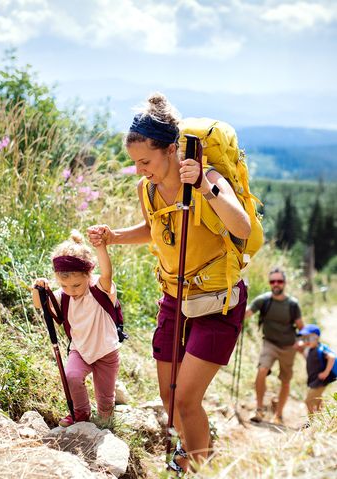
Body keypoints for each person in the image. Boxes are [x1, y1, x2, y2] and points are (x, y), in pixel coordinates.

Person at [88, 92, 251, 473]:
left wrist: (208, 190)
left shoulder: (207, 179)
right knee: (168, 396)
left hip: (217, 301)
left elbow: (241, 226)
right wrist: (114, 236)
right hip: (174, 298)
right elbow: (154, 228)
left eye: (146, 160)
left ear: (172, 149)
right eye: (135, 163)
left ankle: (199, 467)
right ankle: (189, 457)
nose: (140, 169)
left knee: (187, 400)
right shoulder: (147, 189)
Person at [32, 230, 120, 427]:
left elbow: (107, 272)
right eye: (64, 285)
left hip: (106, 352)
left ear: (89, 274)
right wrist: (37, 288)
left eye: (76, 285)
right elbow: (39, 304)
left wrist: (101, 247)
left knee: (105, 397)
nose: (71, 290)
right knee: (71, 376)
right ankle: (81, 412)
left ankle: (106, 420)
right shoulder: (64, 296)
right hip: (80, 349)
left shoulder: (99, 288)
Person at [244, 267, 304, 425]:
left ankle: (278, 414)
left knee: (285, 381)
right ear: (270, 283)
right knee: (262, 370)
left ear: (285, 283)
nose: (276, 284)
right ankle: (259, 409)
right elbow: (247, 313)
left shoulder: (292, 304)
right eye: (273, 281)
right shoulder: (263, 300)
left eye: (279, 281)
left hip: (288, 346)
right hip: (269, 343)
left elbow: (302, 327)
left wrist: (302, 341)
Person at [296, 324, 336, 416]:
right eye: (305, 338)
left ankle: (311, 420)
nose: (306, 341)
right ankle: (321, 417)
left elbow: (332, 357)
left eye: (309, 338)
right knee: (318, 401)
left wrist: (326, 372)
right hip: (314, 379)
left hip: (320, 381)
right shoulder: (310, 350)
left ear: (316, 337)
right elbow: (310, 361)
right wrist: (301, 351)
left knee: (308, 400)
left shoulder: (320, 349)